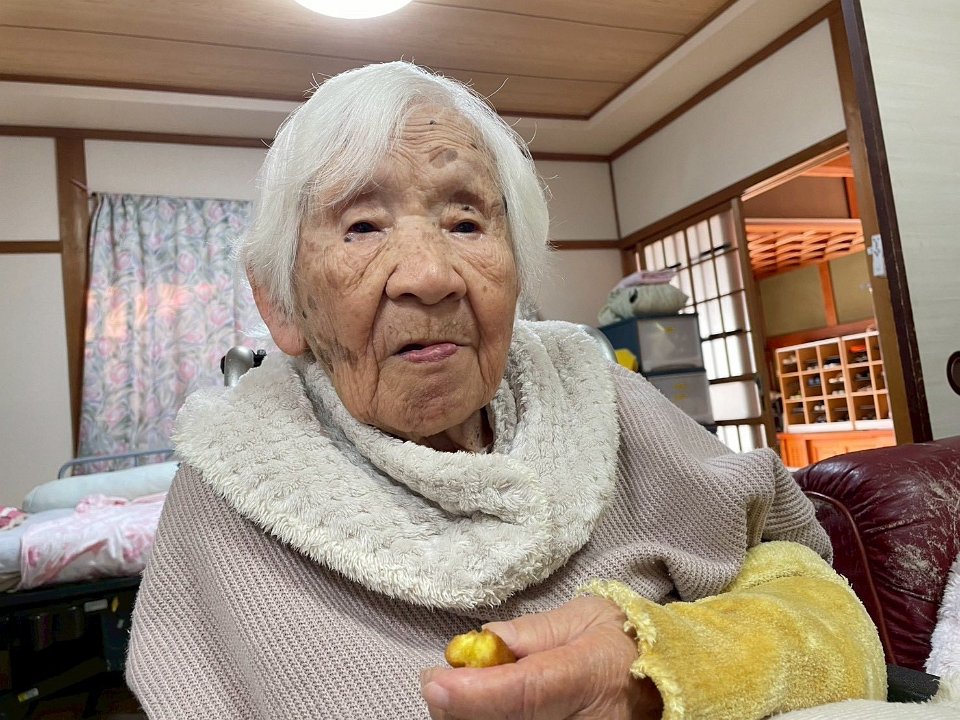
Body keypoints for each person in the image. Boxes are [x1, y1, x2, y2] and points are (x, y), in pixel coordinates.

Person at [126, 61, 887, 719]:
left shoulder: (601, 397)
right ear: (280, 304)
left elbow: (813, 595)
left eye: (465, 222)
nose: (430, 275)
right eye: (362, 226)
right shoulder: (229, 485)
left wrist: (659, 668)